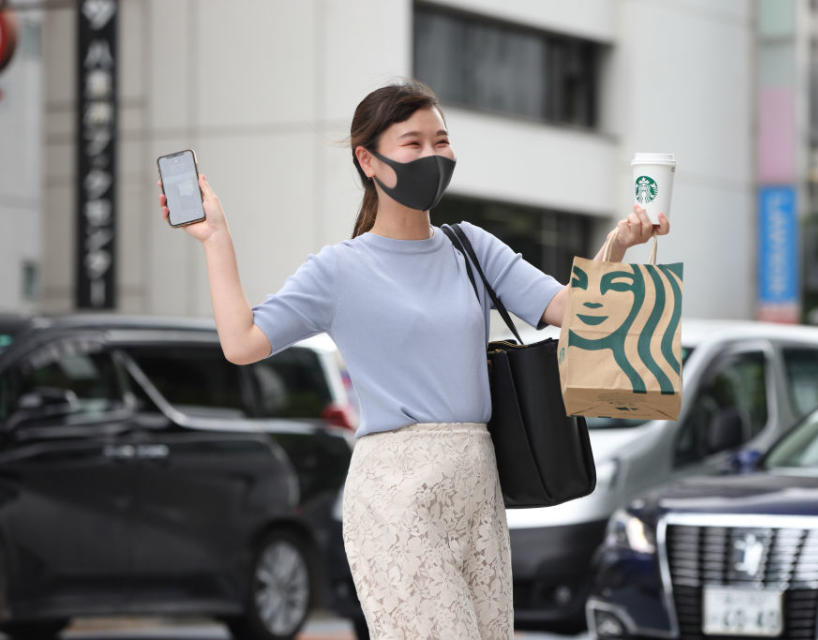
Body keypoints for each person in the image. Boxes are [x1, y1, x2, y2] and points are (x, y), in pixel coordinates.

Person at [157, 80, 670, 640]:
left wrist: (619, 247)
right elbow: (243, 341)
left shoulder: (470, 246)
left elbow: (576, 310)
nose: (432, 155)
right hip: (394, 498)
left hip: (479, 490)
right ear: (367, 160)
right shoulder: (339, 270)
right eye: (413, 143)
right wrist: (216, 239)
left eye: (441, 140)